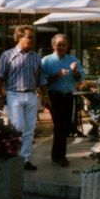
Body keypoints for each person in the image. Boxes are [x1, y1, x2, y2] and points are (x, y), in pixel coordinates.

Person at [0, 25, 49, 171]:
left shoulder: (36, 57)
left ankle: (25, 160)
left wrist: (45, 96)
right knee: (18, 127)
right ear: (19, 37)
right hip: (14, 95)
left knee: (30, 130)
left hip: (31, 95)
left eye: (33, 37)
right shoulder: (7, 55)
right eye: (29, 37)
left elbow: (42, 79)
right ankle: (14, 157)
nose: (32, 40)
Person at [41, 34, 82, 167]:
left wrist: (75, 71)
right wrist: (57, 75)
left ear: (67, 46)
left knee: (64, 126)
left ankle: (56, 155)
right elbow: (42, 81)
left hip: (68, 95)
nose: (61, 47)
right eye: (59, 45)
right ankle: (60, 156)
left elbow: (79, 79)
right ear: (53, 46)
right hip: (54, 95)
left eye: (64, 45)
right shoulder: (46, 61)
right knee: (59, 125)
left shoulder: (73, 59)